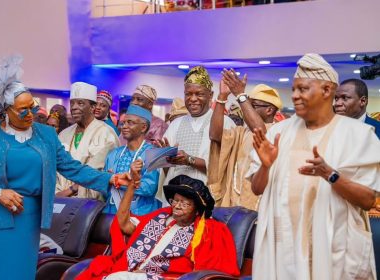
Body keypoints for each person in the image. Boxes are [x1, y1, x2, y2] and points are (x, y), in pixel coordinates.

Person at [0, 55, 133, 280]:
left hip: (26, 219)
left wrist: (108, 179)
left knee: (18, 273)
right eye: (22, 110)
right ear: (6, 110)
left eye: (32, 107)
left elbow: (71, 167)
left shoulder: (46, 135)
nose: (29, 114)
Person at [249, 53, 379, 280]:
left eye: (303, 89)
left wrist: (330, 175)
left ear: (327, 90)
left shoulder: (358, 135)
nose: (295, 96)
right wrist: (266, 166)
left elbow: (368, 200)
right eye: (294, 89)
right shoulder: (277, 133)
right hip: (283, 251)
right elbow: (257, 189)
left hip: (333, 251)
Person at [77, 174, 240, 280]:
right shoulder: (161, 217)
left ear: (197, 209)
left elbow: (204, 270)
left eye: (184, 203)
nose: (176, 206)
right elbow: (123, 224)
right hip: (133, 272)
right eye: (175, 200)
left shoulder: (206, 231)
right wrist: (131, 188)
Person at [208, 70, 283, 209]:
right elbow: (214, 135)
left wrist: (240, 96)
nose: (245, 108)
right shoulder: (242, 132)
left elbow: (260, 131)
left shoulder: (278, 133)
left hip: (259, 206)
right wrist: (222, 97)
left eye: (252, 105)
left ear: (269, 110)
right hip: (233, 204)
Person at [157, 66, 236, 185]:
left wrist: (189, 160)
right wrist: (165, 158)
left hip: (209, 196)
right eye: (188, 94)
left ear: (210, 95)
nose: (193, 99)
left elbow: (227, 166)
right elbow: (166, 173)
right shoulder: (175, 124)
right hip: (177, 197)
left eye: (199, 94)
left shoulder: (225, 122)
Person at [56, 82, 120, 199]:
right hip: (60, 199)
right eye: (72, 103)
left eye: (80, 103)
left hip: (90, 204)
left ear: (92, 107)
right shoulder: (64, 134)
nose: (74, 107)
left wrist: (72, 190)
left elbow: (101, 171)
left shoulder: (106, 133)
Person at [103, 105, 161, 215]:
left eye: (130, 123)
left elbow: (150, 188)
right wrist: (108, 179)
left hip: (140, 215)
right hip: (111, 213)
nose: (124, 126)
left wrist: (117, 181)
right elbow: (104, 184)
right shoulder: (113, 154)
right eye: (123, 122)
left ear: (143, 127)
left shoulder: (153, 154)